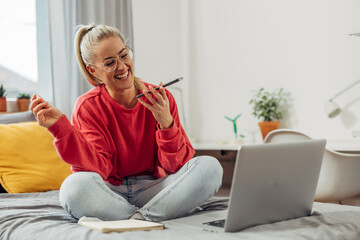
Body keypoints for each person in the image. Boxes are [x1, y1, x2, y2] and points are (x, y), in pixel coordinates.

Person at [30, 24, 223, 222]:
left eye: (124, 55)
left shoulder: (161, 98)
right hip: (108, 192)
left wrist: (166, 123)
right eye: (109, 63)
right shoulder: (87, 106)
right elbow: (99, 167)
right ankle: (150, 215)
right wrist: (60, 128)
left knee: (210, 167)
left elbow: (177, 166)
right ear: (93, 70)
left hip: (154, 189)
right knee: (73, 187)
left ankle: (139, 219)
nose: (122, 66)